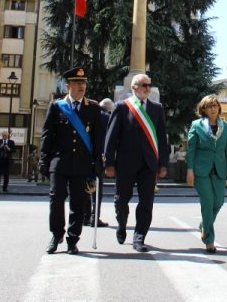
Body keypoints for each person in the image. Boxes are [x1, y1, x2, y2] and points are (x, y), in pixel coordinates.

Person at [41, 67, 103, 255]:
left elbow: (97, 138)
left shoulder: (93, 108)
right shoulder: (57, 106)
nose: (81, 86)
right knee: (56, 199)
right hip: (59, 162)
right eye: (77, 83)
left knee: (78, 203)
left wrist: (98, 162)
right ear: (68, 85)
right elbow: (47, 135)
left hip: (82, 163)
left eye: (83, 83)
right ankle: (56, 234)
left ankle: (72, 239)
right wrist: (43, 160)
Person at [104, 73, 168, 253]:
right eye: (143, 85)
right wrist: (108, 162)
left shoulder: (157, 108)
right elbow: (111, 137)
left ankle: (139, 238)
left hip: (149, 164)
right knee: (121, 200)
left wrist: (163, 163)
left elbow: (162, 138)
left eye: (149, 85)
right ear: (134, 88)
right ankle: (122, 224)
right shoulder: (122, 107)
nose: (147, 88)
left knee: (146, 202)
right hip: (125, 163)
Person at [185, 95, 227, 253]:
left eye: (215, 106)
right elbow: (191, 150)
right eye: (209, 106)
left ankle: (204, 225)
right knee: (207, 202)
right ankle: (209, 240)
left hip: (219, 170)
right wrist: (190, 170)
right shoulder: (196, 125)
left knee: (218, 202)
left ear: (219, 108)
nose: (212, 108)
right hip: (201, 170)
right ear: (204, 109)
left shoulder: (225, 127)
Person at [84, 98, 114, 228]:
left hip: (85, 156)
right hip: (99, 157)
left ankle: (85, 216)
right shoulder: (107, 118)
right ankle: (94, 217)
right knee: (97, 189)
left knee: (85, 187)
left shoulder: (89, 115)